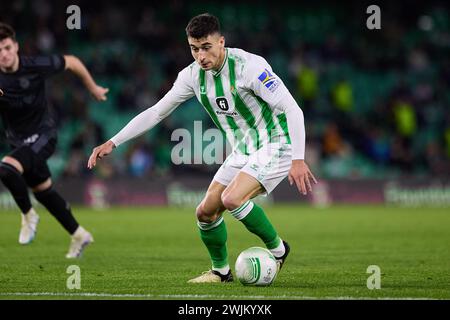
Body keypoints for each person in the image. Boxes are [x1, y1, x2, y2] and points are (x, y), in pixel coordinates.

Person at [88, 13, 317, 282]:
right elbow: (156, 112)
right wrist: (113, 141)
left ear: (221, 42)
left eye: (206, 47)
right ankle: (220, 272)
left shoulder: (250, 67)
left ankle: (279, 251)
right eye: (194, 49)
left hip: (277, 141)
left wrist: (298, 159)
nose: (201, 56)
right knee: (205, 212)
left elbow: (292, 108)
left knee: (232, 199)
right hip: (244, 148)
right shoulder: (192, 76)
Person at [0, 22, 109, 258]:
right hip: (19, 143)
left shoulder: (34, 66)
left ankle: (28, 214)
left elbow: (72, 61)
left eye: (7, 47)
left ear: (15, 46)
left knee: (7, 169)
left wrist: (92, 88)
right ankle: (79, 234)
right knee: (44, 191)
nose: (4, 54)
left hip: (44, 136)